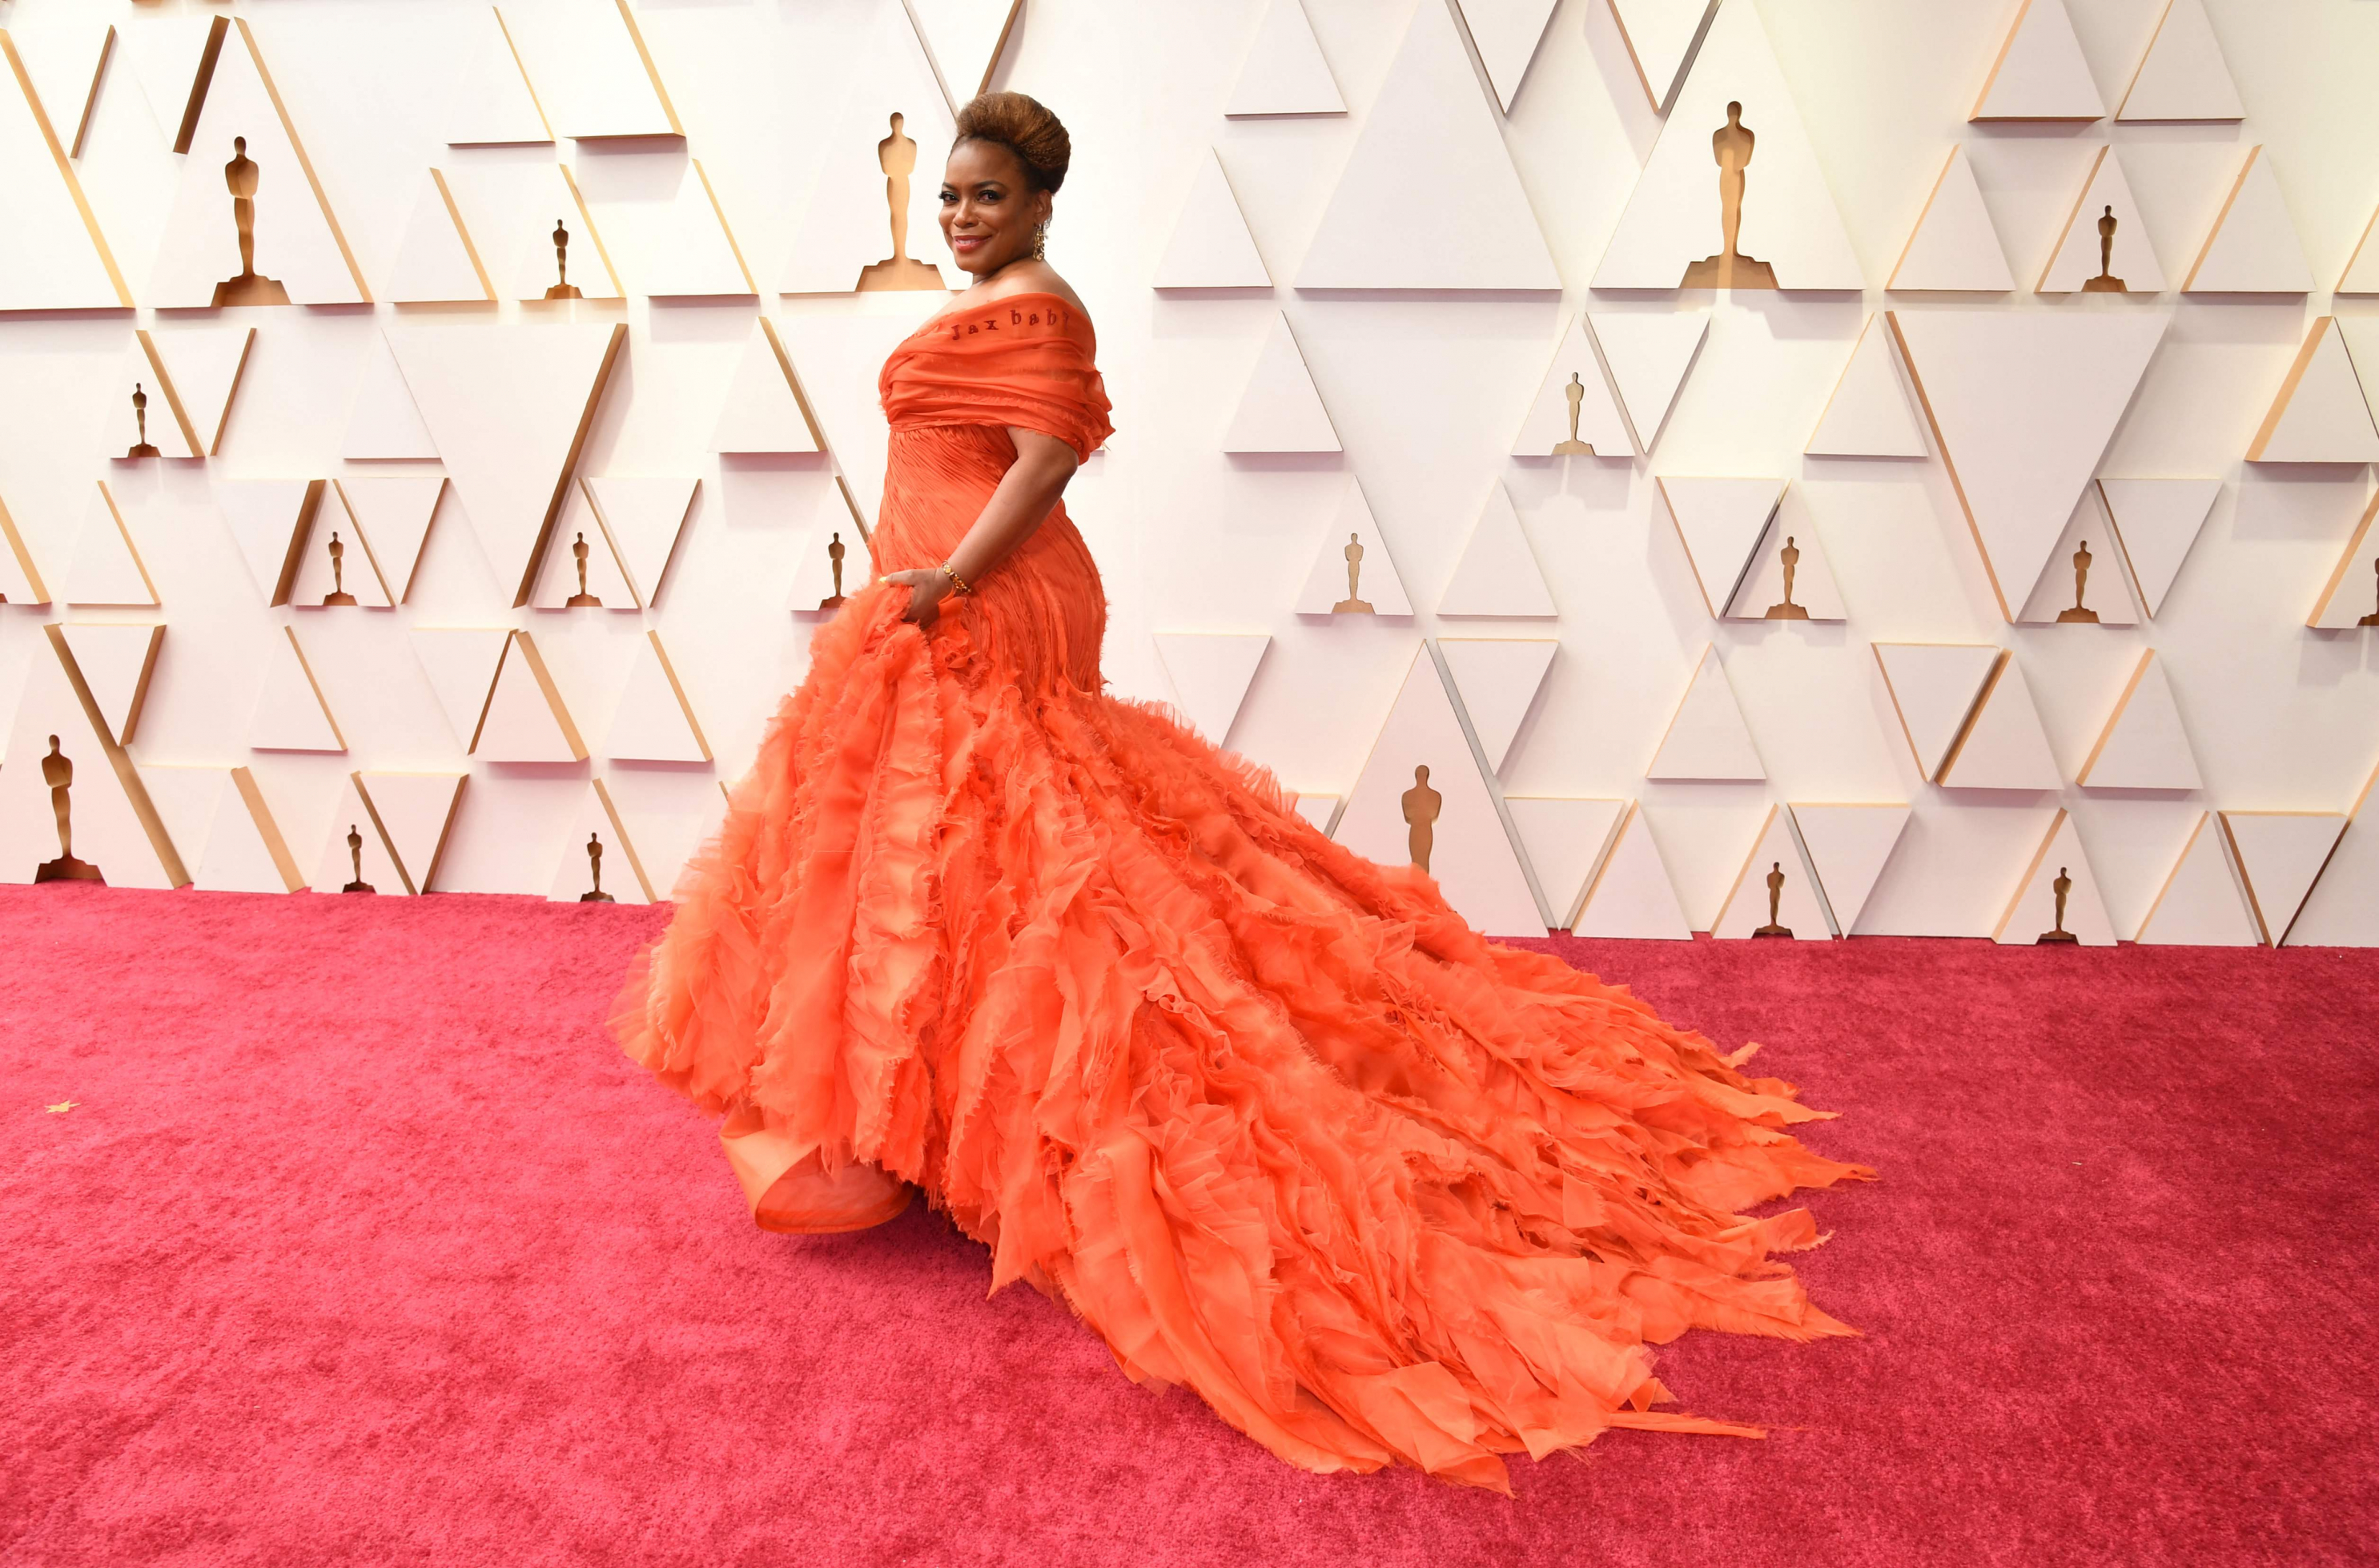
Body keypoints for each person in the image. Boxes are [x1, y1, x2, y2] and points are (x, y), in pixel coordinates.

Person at [611, 91, 1870, 1494]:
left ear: (1039, 206)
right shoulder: (1009, 299)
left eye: (986, 198)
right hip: (937, 583)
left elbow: (1041, 464)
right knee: (943, 843)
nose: (962, 218)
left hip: (984, 593)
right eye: (950, 198)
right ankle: (935, 1119)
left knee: (1005, 837)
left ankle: (989, 1118)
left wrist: (952, 580)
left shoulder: (1041, 310)